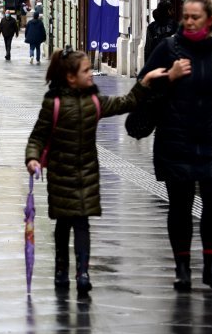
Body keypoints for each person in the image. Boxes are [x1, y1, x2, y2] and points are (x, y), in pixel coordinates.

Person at [25, 48, 167, 293]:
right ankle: (61, 270)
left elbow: (126, 103)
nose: (91, 74)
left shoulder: (95, 101)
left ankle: (82, 272)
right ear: (71, 77)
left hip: (87, 175)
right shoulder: (54, 103)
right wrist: (32, 159)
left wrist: (144, 83)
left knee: (82, 224)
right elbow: (38, 136)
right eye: (86, 70)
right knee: (62, 226)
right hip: (60, 175)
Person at [139, 0, 212, 292]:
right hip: (176, 139)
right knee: (179, 207)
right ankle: (182, 268)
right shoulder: (169, 48)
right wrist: (170, 75)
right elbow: (143, 84)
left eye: (195, 17)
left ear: (211, 19)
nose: (189, 21)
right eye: (186, 16)